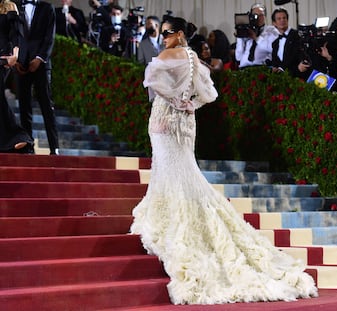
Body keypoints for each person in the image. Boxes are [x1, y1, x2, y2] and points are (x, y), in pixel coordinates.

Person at [129, 15, 318, 305]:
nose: (163, 38)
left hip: (165, 121)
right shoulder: (193, 59)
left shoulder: (166, 55)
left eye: (167, 33)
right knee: (184, 172)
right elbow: (211, 94)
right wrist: (189, 103)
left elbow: (150, 81)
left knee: (171, 173)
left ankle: (177, 223)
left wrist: (174, 100)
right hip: (187, 122)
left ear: (179, 33)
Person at [15, 0, 59, 155]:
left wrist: (40, 58)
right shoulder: (14, 7)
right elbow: (13, 35)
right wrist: (17, 59)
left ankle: (54, 148)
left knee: (47, 106)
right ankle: (28, 146)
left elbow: (50, 36)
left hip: (41, 64)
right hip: (21, 64)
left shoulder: (47, 8)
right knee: (24, 107)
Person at [0, 0, 33, 153]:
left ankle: (19, 136)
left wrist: (15, 53)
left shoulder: (9, 6)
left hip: (4, 58)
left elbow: (16, 31)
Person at [235, 3, 277, 69]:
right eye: (255, 15)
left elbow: (271, 48)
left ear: (265, 16)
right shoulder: (248, 30)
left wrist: (256, 38)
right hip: (244, 68)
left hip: (262, 67)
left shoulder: (271, 30)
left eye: (261, 15)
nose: (258, 18)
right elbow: (238, 57)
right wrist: (240, 36)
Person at [270, 7, 304, 77]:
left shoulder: (296, 35)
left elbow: (295, 55)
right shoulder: (275, 43)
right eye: (279, 19)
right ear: (274, 23)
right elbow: (275, 60)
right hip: (281, 78)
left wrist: (281, 68)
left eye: (284, 18)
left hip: (297, 75)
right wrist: (274, 67)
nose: (282, 20)